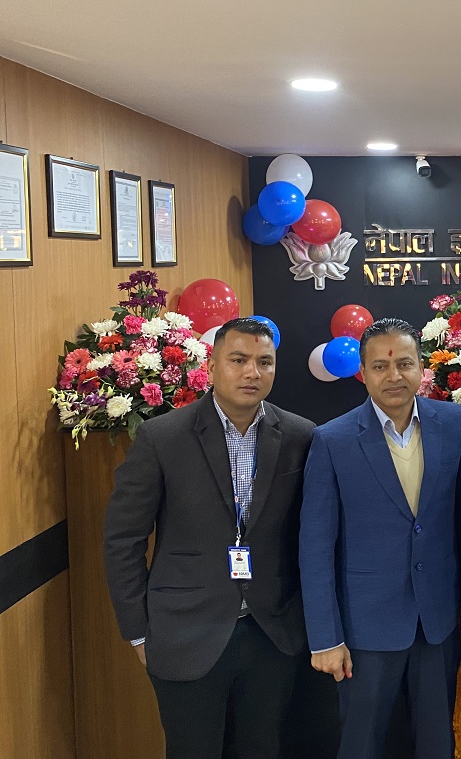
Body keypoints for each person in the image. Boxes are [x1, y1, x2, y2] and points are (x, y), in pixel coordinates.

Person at [103, 317, 315, 759]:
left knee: (263, 749)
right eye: (238, 360)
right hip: (184, 632)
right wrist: (139, 633)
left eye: (264, 362)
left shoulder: (300, 435)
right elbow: (123, 539)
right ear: (213, 366)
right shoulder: (162, 437)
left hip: (271, 633)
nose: (252, 372)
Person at [298, 318, 461, 759]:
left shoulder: (452, 423)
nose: (394, 375)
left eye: (405, 364)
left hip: (436, 621)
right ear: (363, 372)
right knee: (362, 744)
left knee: (437, 742)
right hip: (364, 627)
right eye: (380, 366)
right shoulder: (332, 439)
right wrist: (325, 637)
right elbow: (315, 548)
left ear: (421, 368)